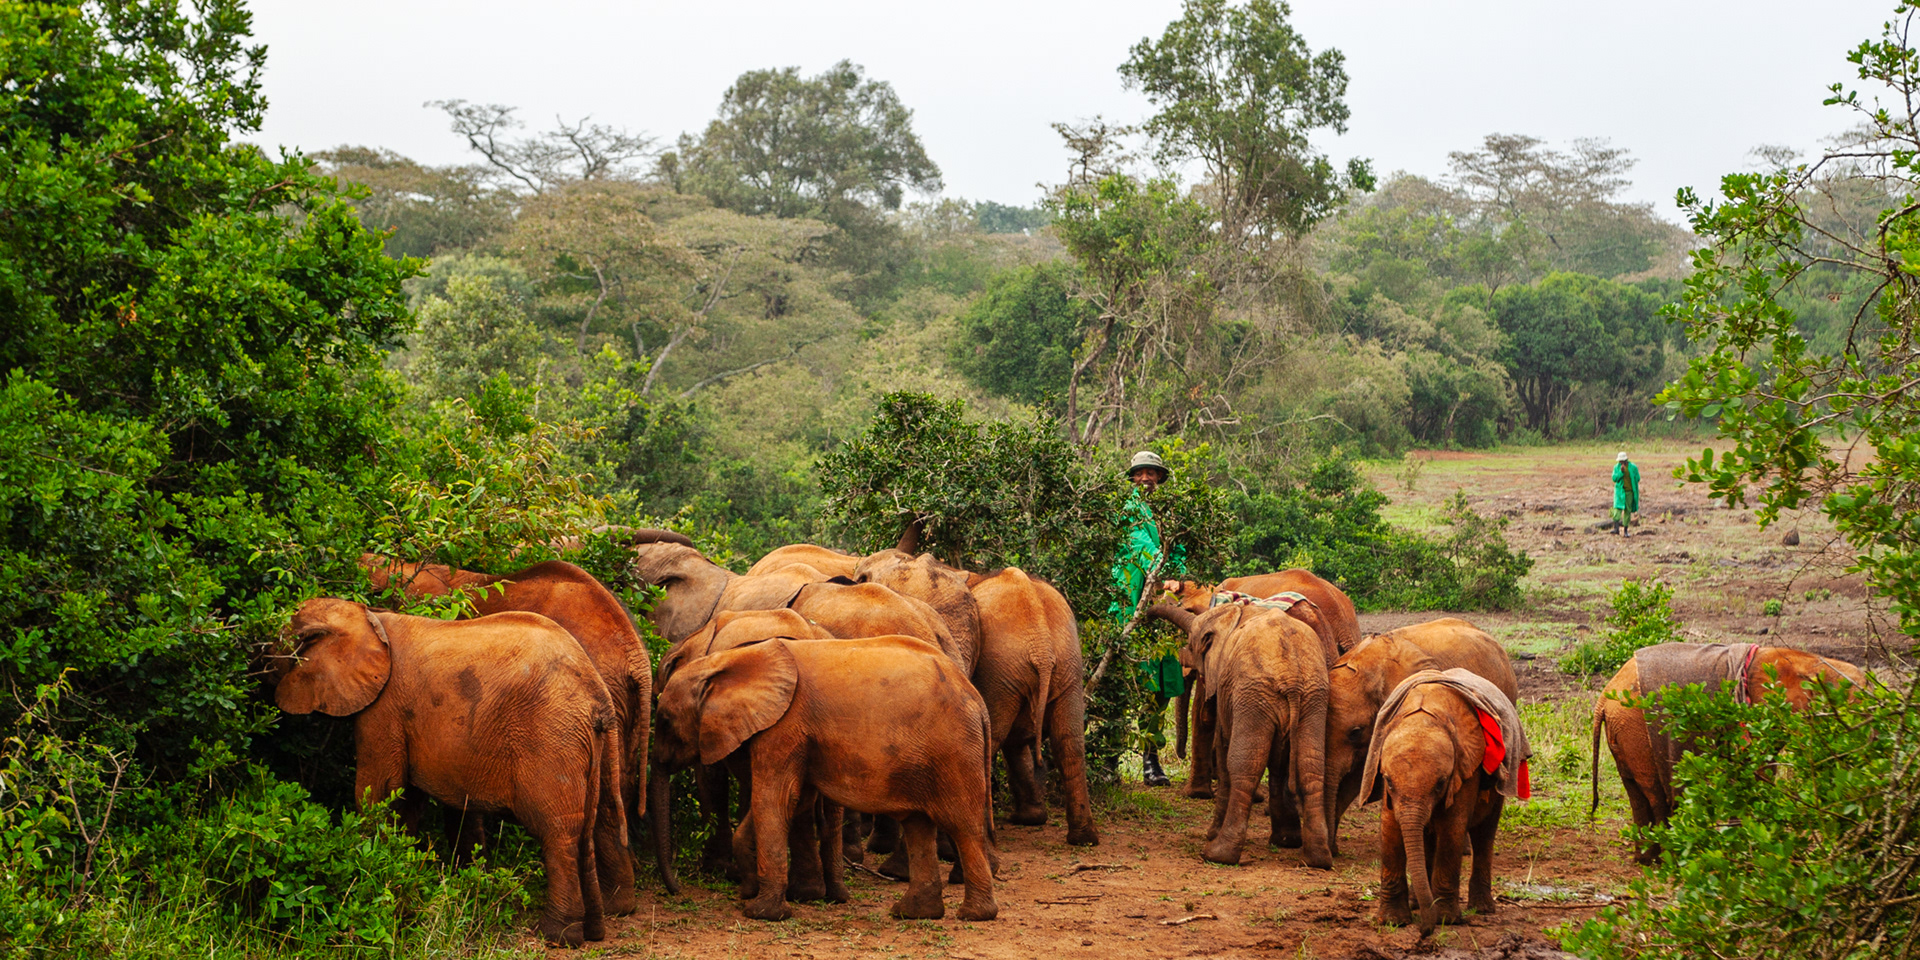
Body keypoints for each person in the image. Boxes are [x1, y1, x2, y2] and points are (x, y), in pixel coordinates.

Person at [1109, 450, 1186, 786]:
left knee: (1159, 687)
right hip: (1129, 601)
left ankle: (1151, 762)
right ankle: (1108, 759)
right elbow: (1140, 546)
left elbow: (1179, 551)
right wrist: (1160, 567)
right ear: (1132, 478)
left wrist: (1178, 577)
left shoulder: (1168, 514)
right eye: (1139, 473)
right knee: (1122, 682)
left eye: (1151, 473)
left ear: (1159, 478)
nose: (1145, 478)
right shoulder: (1128, 509)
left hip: (1161, 608)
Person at [1613, 451, 1641, 537]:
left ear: (1626, 460)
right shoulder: (1616, 468)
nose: (1621, 463)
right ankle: (1616, 529)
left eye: (1622, 461)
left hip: (1629, 492)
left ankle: (1625, 530)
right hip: (1620, 491)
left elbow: (1638, 478)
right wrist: (1621, 473)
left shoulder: (1633, 467)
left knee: (1627, 511)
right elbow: (1614, 478)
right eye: (1620, 461)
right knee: (1617, 509)